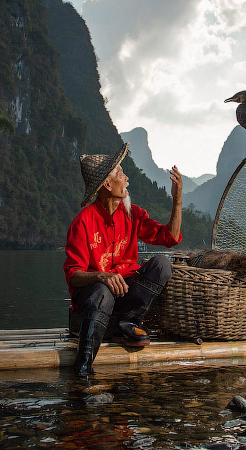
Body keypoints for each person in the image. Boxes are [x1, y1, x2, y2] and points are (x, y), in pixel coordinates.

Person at [63, 142, 183, 376]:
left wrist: (177, 201)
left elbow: (169, 237)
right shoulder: (83, 222)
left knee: (161, 264)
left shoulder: (132, 213)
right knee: (102, 291)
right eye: (120, 173)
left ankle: (127, 321)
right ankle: (84, 368)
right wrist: (101, 276)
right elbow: (73, 275)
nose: (126, 178)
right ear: (106, 184)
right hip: (94, 294)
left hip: (125, 292)